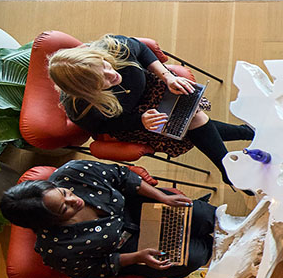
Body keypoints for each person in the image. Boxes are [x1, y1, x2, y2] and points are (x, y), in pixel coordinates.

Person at [48, 35, 253, 186]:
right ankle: (242, 141)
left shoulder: (114, 47)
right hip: (132, 119)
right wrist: (140, 120)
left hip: (155, 85)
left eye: (106, 66)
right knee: (191, 121)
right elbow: (107, 126)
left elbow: (143, 51)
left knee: (191, 119)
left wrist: (168, 77)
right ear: (87, 91)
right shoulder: (81, 109)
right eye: (105, 81)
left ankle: (232, 160)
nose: (113, 74)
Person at [0, 159, 216, 278]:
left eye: (64, 193)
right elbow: (97, 268)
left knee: (207, 217)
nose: (73, 200)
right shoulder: (57, 250)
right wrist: (137, 257)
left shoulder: (72, 173)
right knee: (195, 255)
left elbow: (122, 175)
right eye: (63, 208)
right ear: (47, 222)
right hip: (129, 248)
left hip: (138, 206)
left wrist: (160, 196)